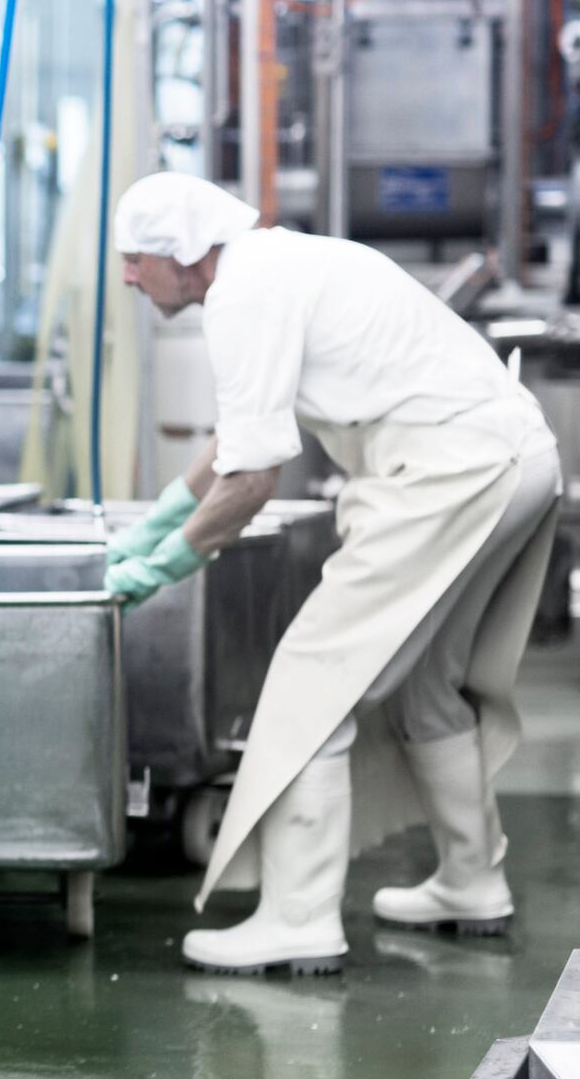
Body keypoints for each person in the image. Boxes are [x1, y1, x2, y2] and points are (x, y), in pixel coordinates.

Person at [106, 171, 562, 975]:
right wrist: (150, 525)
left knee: (313, 681)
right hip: (513, 457)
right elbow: (235, 442)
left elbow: (250, 483)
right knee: (425, 686)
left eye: (136, 259)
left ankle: (298, 919)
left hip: (451, 473)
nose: (126, 276)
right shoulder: (272, 266)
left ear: (183, 253)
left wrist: (166, 567)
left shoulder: (245, 292)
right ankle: (470, 880)